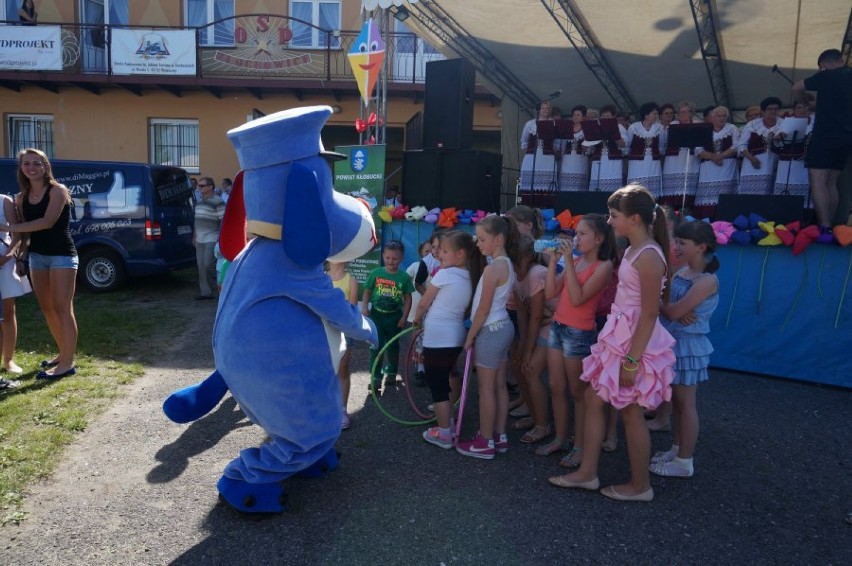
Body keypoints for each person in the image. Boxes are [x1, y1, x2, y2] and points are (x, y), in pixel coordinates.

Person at [548, 185, 675, 503]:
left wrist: (632, 361)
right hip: (618, 339)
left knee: (631, 412)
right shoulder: (633, 250)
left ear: (634, 219)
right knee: (594, 399)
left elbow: (648, 314)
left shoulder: (648, 255)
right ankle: (588, 472)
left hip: (632, 345)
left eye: (614, 215)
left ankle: (640, 485)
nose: (610, 220)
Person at [540, 214, 616, 469]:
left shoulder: (603, 266)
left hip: (579, 333)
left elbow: (577, 297)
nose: (576, 238)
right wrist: (554, 262)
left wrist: (569, 265)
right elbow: (550, 292)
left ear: (599, 238)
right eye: (576, 233)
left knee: (578, 393)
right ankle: (560, 438)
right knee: (555, 386)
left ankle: (580, 447)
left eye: (582, 234)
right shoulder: (579, 260)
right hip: (558, 327)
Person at [651, 220, 720, 478]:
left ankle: (685, 461)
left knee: (686, 403)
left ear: (701, 247)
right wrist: (669, 307)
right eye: (676, 241)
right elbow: (673, 308)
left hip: (688, 346)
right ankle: (678, 448)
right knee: (677, 402)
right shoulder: (682, 272)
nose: (676, 247)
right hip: (674, 340)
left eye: (682, 243)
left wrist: (660, 302)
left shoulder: (706, 281)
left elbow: (672, 308)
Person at [2, 149, 79, 380]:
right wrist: (20, 256)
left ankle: (67, 363)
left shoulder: (59, 190)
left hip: (62, 255)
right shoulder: (21, 197)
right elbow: (27, 234)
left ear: (46, 166)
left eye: (37, 163)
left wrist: (7, 229)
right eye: (26, 163)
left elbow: (47, 222)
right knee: (47, 308)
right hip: (37, 256)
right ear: (21, 168)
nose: (31, 167)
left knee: (62, 307)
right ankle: (62, 353)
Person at [456, 215, 519, 460]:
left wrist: (469, 337)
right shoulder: (506, 263)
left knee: (486, 389)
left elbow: (483, 310)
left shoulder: (494, 268)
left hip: (491, 331)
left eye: (482, 239)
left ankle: (484, 440)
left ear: (498, 239)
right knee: (499, 385)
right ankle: (499, 435)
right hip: (503, 328)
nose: (478, 243)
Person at [416, 231, 481, 449]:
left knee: (438, 386)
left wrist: (416, 320)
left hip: (438, 338)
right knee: (444, 379)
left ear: (460, 254)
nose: (439, 255)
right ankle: (449, 425)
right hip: (455, 337)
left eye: (444, 251)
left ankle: (444, 434)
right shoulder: (471, 276)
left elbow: (425, 302)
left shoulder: (444, 275)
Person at [793, 48, 852, 235]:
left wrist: (803, 101)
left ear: (824, 64)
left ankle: (824, 225)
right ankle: (832, 226)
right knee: (832, 182)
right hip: (847, 136)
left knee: (817, 180)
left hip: (825, 135)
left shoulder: (826, 76)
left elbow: (796, 88)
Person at [511, 235, 558, 445]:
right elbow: (523, 313)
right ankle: (534, 415)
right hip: (540, 326)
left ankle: (543, 425)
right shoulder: (515, 274)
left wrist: (528, 350)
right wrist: (522, 347)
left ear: (528, 257)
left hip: (554, 326)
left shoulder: (536, 274)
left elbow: (538, 316)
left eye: (515, 258)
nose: (511, 263)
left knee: (530, 370)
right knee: (520, 366)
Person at [361, 240, 413, 393]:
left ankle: (391, 372)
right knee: (375, 346)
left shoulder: (404, 277)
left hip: (394, 317)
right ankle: (375, 377)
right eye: (388, 257)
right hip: (376, 316)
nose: (391, 261)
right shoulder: (376, 274)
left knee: (392, 346)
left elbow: (408, 297)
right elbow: (367, 291)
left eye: (395, 258)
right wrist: (364, 307)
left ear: (401, 258)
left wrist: (405, 316)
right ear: (383, 256)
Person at [0, 193, 32, 385]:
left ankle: (8, 360)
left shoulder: (4, 200)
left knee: (7, 310)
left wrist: (7, 257)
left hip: (3, 260)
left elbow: (17, 234)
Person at [327, 261, 359, 430]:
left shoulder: (351, 280)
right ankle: (326, 409)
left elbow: (351, 310)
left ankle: (342, 410)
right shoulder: (321, 278)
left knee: (342, 370)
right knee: (324, 372)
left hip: (343, 332)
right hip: (323, 331)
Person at [694, 106, 740, 219]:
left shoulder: (732, 128)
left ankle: (726, 220)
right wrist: (713, 157)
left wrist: (722, 155)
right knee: (708, 197)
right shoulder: (705, 130)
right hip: (708, 169)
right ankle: (708, 220)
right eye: (719, 116)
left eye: (724, 116)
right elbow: (698, 150)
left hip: (727, 167)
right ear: (712, 118)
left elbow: (736, 146)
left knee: (726, 194)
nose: (722, 118)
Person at [737, 96, 784, 195]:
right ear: (763, 112)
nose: (773, 111)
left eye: (776, 109)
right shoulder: (751, 125)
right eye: (769, 109)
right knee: (751, 195)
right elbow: (741, 145)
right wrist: (751, 158)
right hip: (752, 164)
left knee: (770, 194)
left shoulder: (783, 124)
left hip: (775, 165)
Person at [660, 101, 703, 210]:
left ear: (691, 113)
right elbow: (664, 143)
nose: (682, 114)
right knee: (673, 191)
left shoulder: (698, 125)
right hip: (674, 162)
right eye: (680, 112)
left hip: (691, 159)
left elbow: (702, 143)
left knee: (688, 189)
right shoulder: (673, 125)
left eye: (685, 112)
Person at [192, 177, 225, 300]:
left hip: (212, 238)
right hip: (199, 239)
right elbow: (197, 220)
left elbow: (223, 221)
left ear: (210, 187)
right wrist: (194, 236)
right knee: (200, 266)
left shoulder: (218, 201)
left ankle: (221, 285)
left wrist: (221, 239)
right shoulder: (199, 201)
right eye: (199, 186)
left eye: (202, 186)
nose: (199, 188)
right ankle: (206, 292)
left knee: (208, 265)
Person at [407, 239, 433, 386]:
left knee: (427, 338)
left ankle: (427, 367)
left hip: (431, 310)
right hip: (417, 308)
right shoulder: (416, 266)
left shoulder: (438, 267)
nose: (429, 254)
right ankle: (420, 369)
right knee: (417, 339)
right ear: (420, 253)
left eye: (432, 251)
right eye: (426, 251)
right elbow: (406, 280)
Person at [626, 102, 666, 198]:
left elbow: (661, 145)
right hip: (637, 164)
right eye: (654, 113)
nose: (656, 116)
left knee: (652, 191)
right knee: (637, 189)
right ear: (646, 115)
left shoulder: (659, 128)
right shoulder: (634, 127)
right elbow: (628, 145)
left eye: (657, 114)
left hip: (653, 163)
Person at [520, 101, 558, 193]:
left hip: (547, 158)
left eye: (547, 108)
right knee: (530, 183)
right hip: (532, 157)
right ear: (538, 110)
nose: (545, 110)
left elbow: (557, 142)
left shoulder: (553, 123)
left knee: (546, 184)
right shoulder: (530, 124)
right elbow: (524, 140)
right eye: (543, 108)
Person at [588, 105, 628, 192]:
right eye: (603, 116)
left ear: (613, 117)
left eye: (608, 116)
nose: (605, 118)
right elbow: (588, 147)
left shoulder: (619, 127)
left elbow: (623, 145)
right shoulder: (596, 126)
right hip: (598, 160)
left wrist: (614, 133)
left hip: (613, 161)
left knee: (612, 187)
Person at [559, 105, 590, 191]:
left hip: (580, 160)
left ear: (583, 117)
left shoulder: (586, 130)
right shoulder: (567, 128)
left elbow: (588, 149)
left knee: (578, 186)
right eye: (574, 115)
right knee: (566, 186)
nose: (575, 117)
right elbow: (562, 145)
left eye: (578, 115)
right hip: (567, 160)